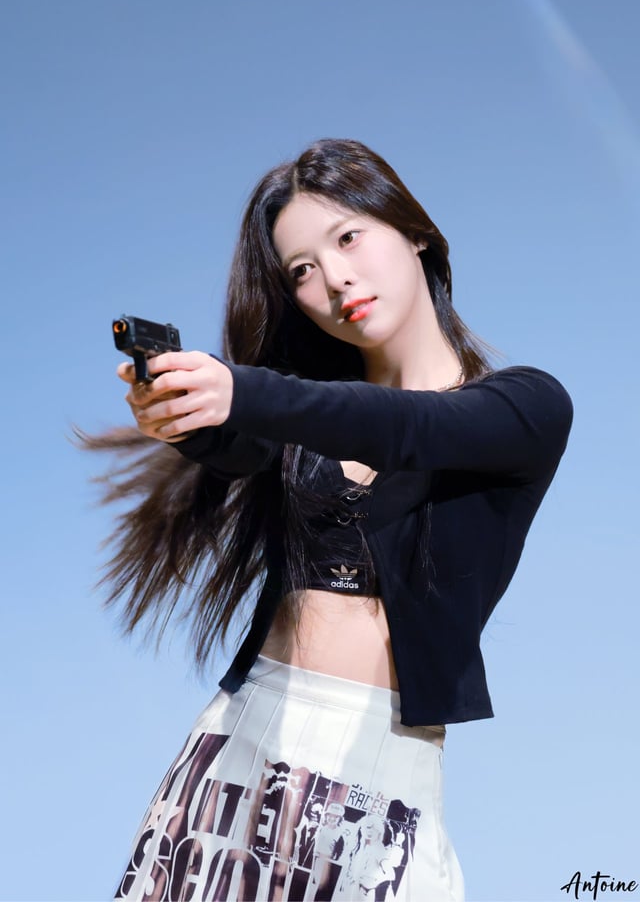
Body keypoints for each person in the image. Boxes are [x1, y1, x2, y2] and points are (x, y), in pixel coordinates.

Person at [89, 138, 572, 902]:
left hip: (378, 765)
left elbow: (406, 427)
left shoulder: (525, 408)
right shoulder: (298, 414)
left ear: (415, 233)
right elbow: (242, 446)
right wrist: (183, 412)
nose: (335, 278)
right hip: (241, 744)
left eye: (348, 238)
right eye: (302, 271)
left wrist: (242, 391)